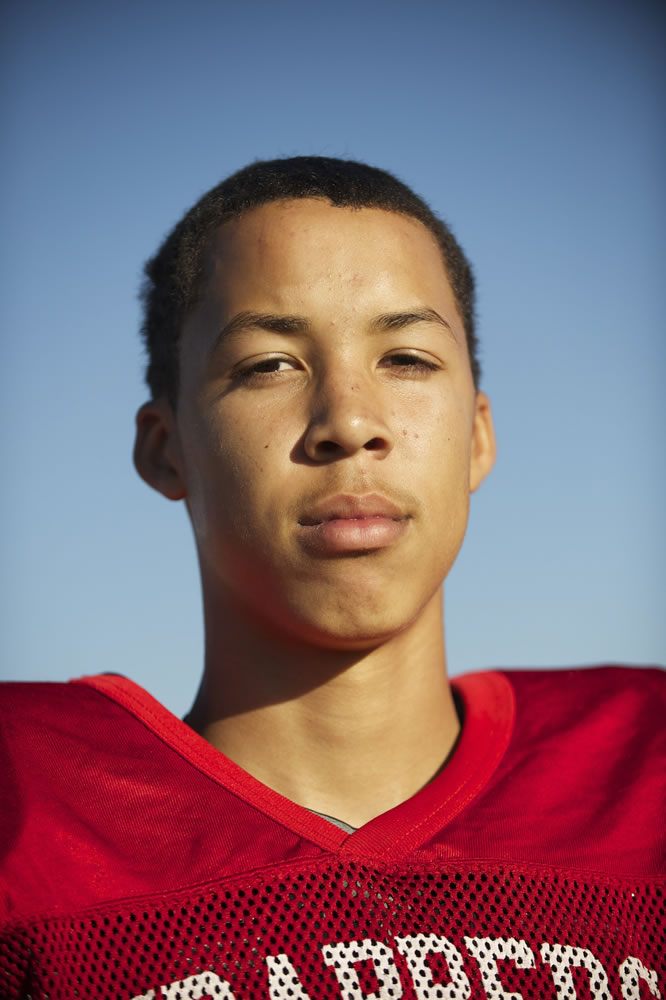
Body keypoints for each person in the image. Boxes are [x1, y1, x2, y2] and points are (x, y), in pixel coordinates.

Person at [0, 157, 663, 1000]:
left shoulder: (642, 775)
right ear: (165, 448)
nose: (349, 421)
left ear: (479, 438)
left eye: (408, 358)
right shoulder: (31, 814)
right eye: (268, 364)